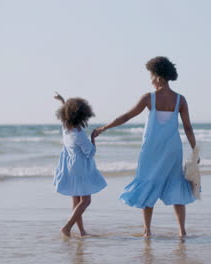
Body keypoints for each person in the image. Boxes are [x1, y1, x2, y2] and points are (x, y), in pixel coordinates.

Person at [92, 56, 198, 238]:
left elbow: (126, 117)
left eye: (151, 76)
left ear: (157, 76)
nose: (150, 80)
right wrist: (195, 150)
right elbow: (188, 127)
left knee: (148, 185)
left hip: (151, 151)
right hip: (172, 151)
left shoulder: (150, 98)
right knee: (175, 186)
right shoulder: (180, 100)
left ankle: (147, 231)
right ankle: (182, 232)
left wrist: (104, 128)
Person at [54, 93, 107, 237]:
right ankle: (67, 227)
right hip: (80, 168)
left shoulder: (66, 127)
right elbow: (90, 152)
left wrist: (62, 101)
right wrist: (93, 138)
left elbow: (66, 113)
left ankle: (82, 231)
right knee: (86, 200)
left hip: (70, 167)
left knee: (76, 200)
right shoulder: (79, 134)